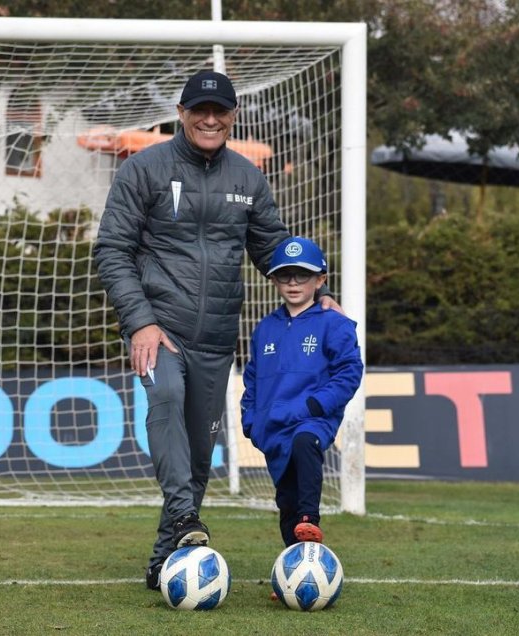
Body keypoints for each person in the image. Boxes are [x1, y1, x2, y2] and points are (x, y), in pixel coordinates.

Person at [93, 70, 341, 591]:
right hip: (159, 330)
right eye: (200, 109)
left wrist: (317, 294)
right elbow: (112, 251)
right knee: (165, 399)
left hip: (216, 339)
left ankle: (167, 560)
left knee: (201, 458)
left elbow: (272, 248)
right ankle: (186, 519)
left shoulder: (247, 178)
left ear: (232, 117)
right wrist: (140, 321)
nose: (210, 118)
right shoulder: (143, 169)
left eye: (220, 110)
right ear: (181, 114)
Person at [241, 236, 363, 548]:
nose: (293, 283)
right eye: (285, 275)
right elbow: (252, 378)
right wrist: (251, 420)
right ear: (273, 279)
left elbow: (350, 371)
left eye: (303, 275)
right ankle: (295, 566)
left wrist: (316, 404)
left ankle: (311, 518)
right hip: (273, 427)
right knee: (286, 501)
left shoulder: (334, 323)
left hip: (312, 419)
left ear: (320, 279)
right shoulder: (265, 328)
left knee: (304, 443)